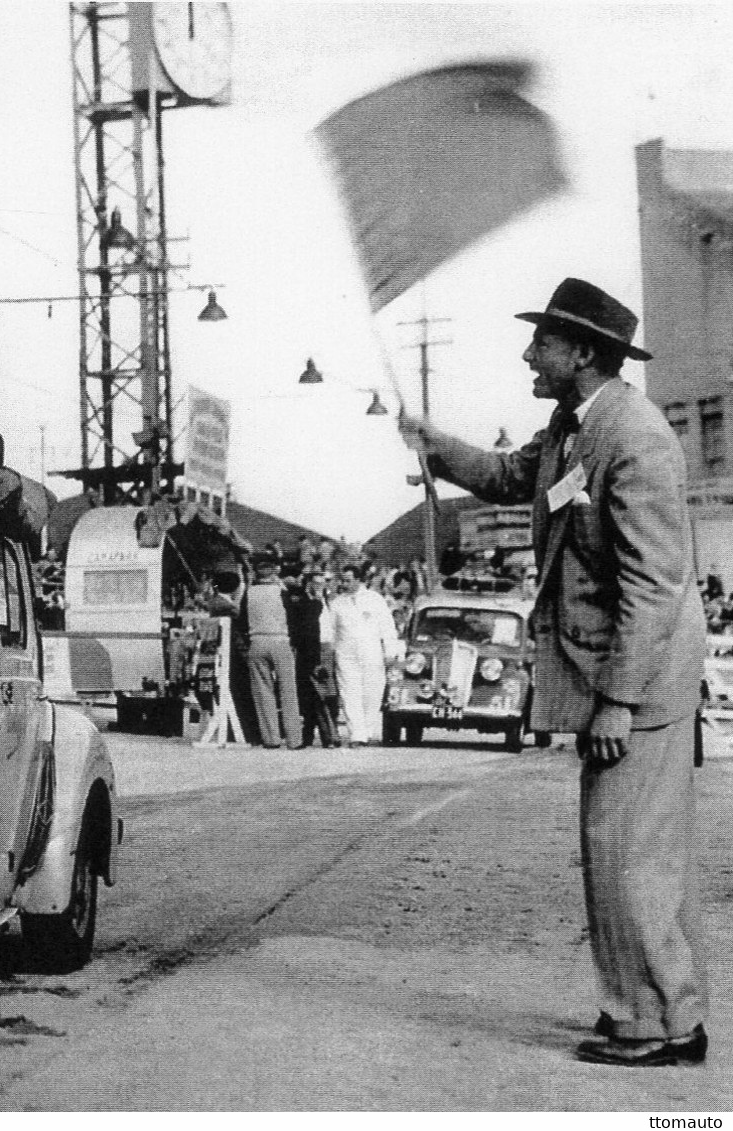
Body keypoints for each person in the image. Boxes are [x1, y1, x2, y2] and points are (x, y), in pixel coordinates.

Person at [400, 277, 708, 1067]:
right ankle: (656, 1006)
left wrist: (617, 701)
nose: (528, 354)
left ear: (581, 353)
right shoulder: (576, 427)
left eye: (541, 342)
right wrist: (433, 441)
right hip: (620, 674)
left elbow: (652, 583)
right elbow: (509, 475)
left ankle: (653, 1022)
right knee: (623, 848)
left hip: (636, 683)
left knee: (627, 851)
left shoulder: (631, 437)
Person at [321, 562, 399, 746]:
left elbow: (388, 627)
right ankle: (357, 734)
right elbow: (329, 631)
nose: (344, 584)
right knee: (350, 693)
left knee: (372, 693)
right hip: (346, 654)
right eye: (343, 581)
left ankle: (368, 730)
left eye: (348, 581)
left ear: (358, 579)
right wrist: (328, 655)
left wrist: (390, 651)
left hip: (371, 652)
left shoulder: (375, 599)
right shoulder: (337, 603)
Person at [236, 552, 303, 749]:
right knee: (288, 691)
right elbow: (294, 620)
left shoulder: (248, 593)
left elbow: (241, 621)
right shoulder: (283, 593)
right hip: (281, 641)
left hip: (257, 642)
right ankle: (294, 739)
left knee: (263, 692)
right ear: (275, 571)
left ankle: (271, 738)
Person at [290, 570, 339, 747]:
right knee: (312, 694)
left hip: (327, 648)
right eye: (316, 583)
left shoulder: (329, 601)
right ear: (308, 584)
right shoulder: (304, 602)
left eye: (322, 583)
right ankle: (318, 735)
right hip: (309, 649)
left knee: (325, 694)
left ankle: (327, 735)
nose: (320, 587)